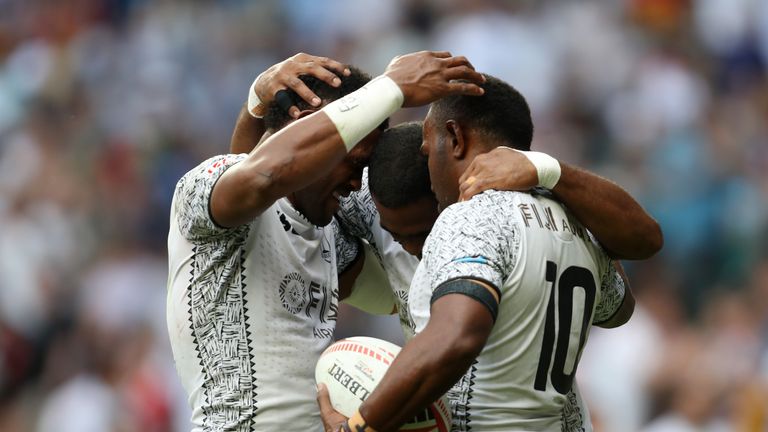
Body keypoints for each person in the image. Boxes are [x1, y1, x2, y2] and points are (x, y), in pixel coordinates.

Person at [166, 51, 486, 431]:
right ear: (302, 125)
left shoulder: (328, 236)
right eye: (354, 162)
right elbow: (263, 173)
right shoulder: (202, 189)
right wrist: (392, 88)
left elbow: (402, 297)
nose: (356, 185)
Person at [319, 74, 642, 431]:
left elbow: (457, 336)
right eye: (396, 236)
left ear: (455, 140)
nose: (414, 249)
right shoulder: (565, 215)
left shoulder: (467, 216)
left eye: (423, 232)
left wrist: (361, 427)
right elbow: (619, 305)